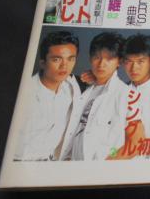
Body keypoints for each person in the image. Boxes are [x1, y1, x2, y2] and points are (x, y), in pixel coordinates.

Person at [59, 32, 143, 161]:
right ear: (90, 58)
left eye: (109, 59)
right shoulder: (82, 91)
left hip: (104, 169)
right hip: (74, 167)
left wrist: (108, 162)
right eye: (97, 57)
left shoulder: (127, 94)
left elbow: (136, 143)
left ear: (119, 62)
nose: (101, 64)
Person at [14, 31, 81, 161]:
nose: (64, 66)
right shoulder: (25, 93)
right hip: (21, 163)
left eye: (70, 59)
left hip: (52, 163)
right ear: (43, 63)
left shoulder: (71, 87)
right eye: (56, 59)